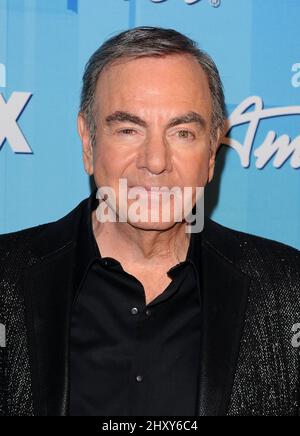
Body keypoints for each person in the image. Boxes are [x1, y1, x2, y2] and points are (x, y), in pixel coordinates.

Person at [0, 26, 299, 417]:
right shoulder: (6, 277)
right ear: (88, 142)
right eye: (128, 129)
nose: (155, 161)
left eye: (183, 132)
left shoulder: (289, 292)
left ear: (212, 152)